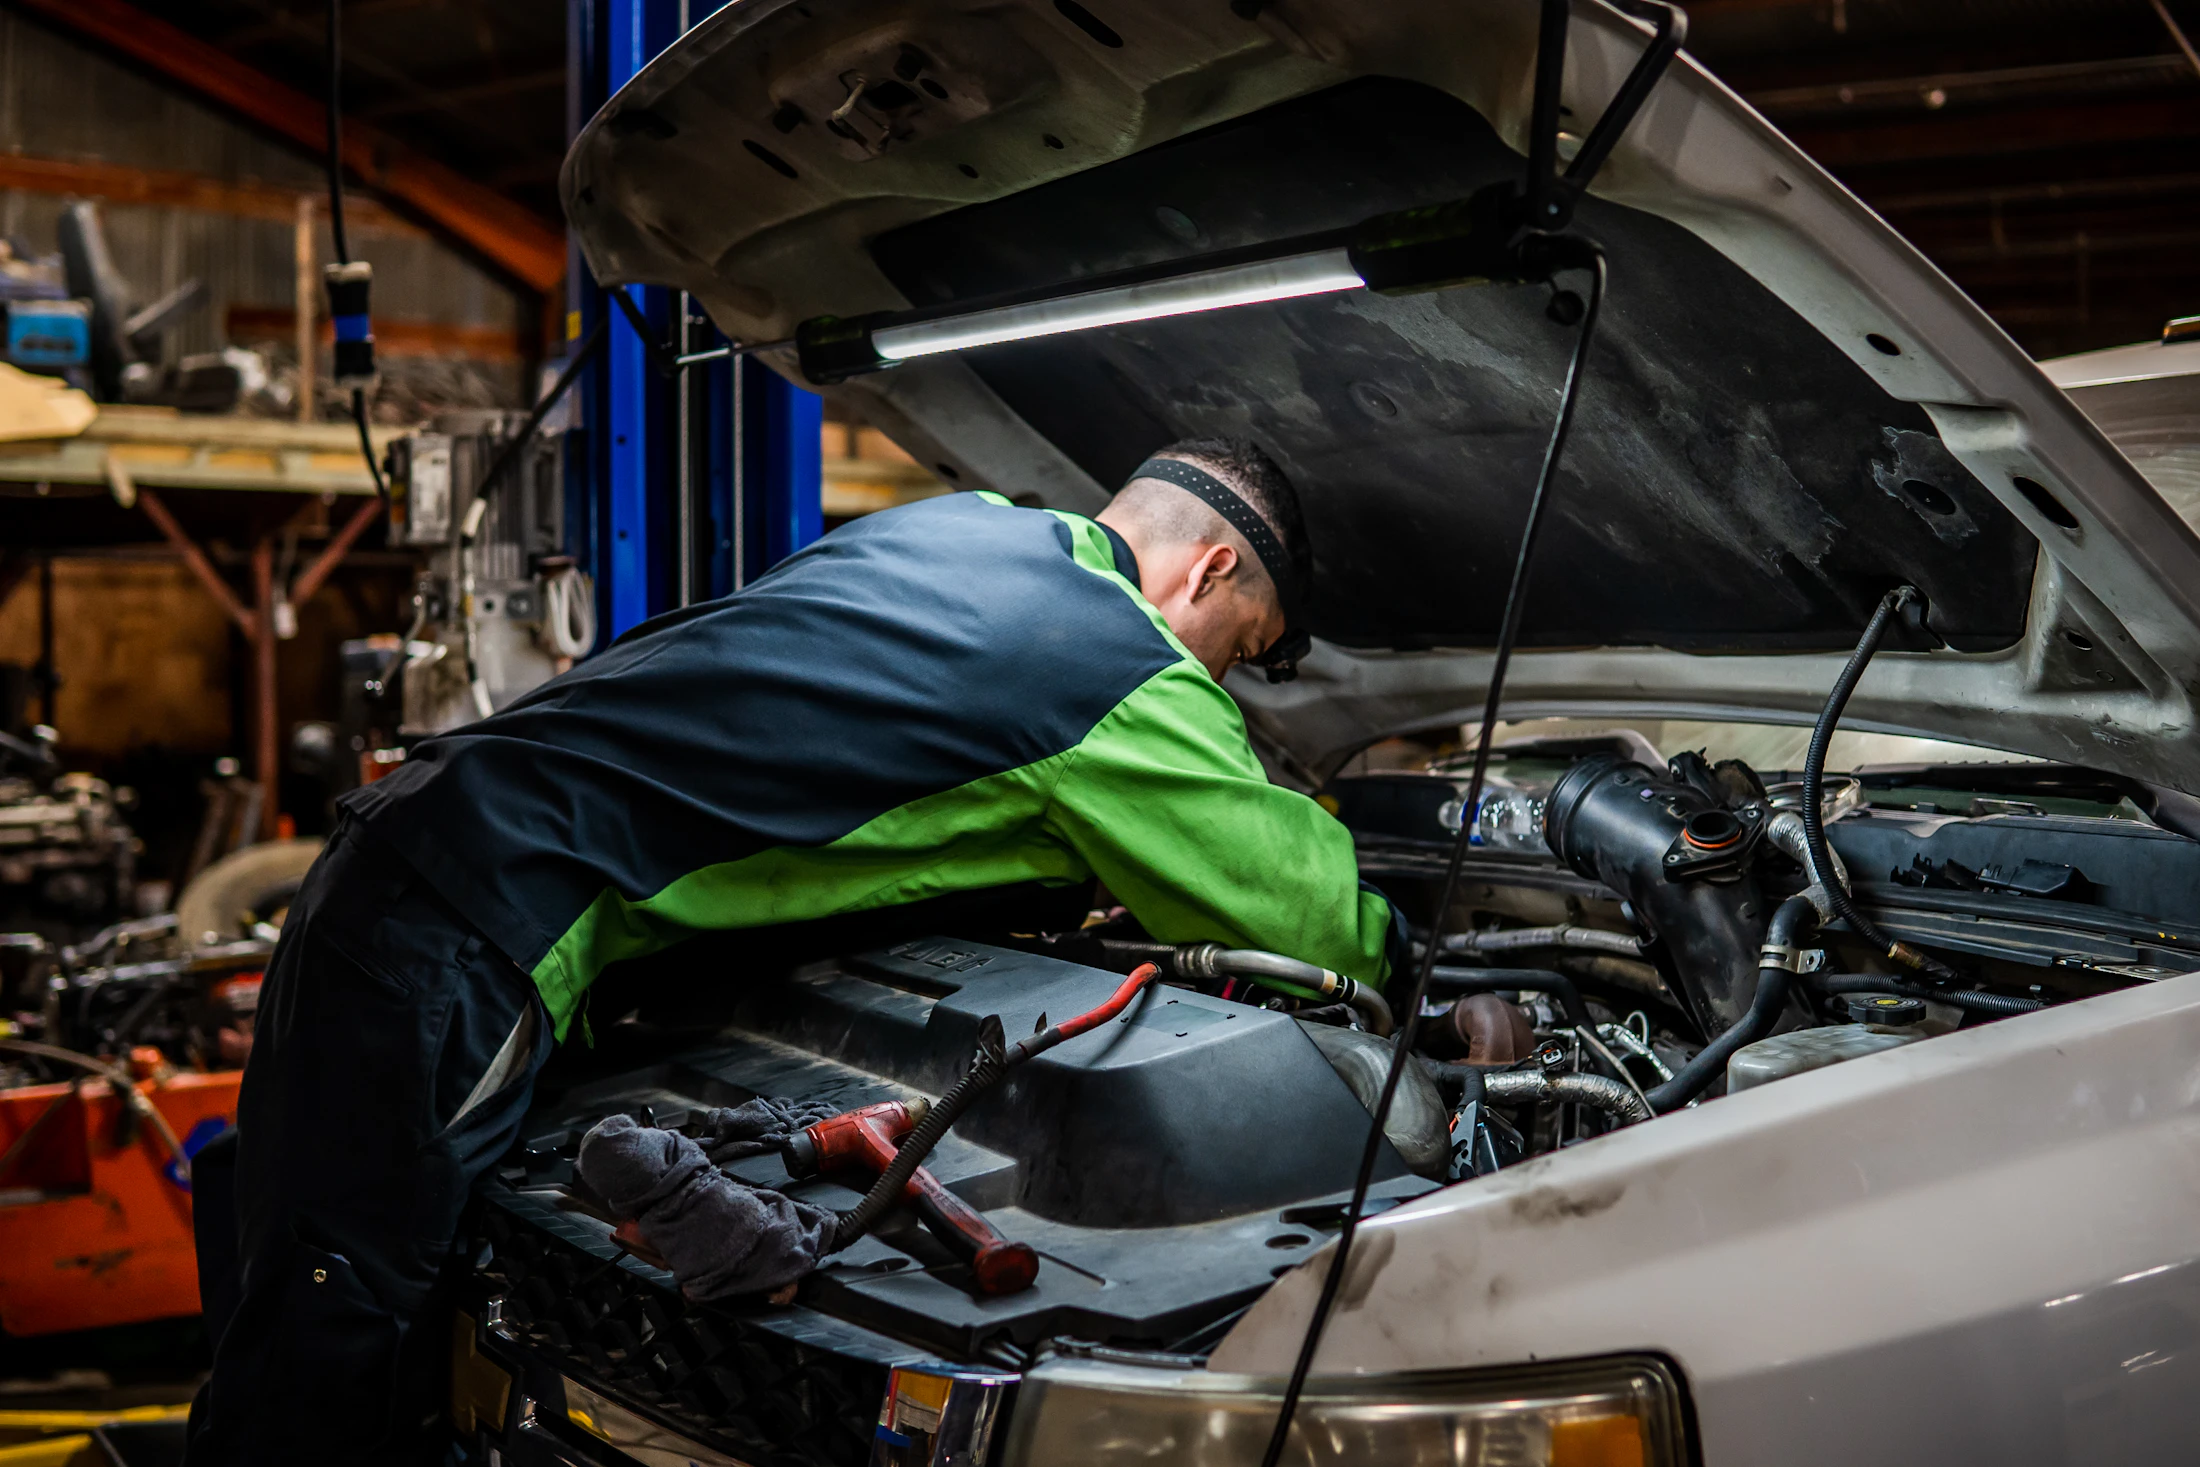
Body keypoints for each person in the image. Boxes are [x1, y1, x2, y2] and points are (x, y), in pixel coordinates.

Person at [183, 435, 1395, 1463]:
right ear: (1212, 568)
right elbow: (1323, 927)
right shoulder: (1121, 667)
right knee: (339, 1328)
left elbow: (860, 771)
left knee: (312, 1294)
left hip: (414, 861)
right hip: (474, 923)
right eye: (1245, 648)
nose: (1229, 682)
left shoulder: (954, 532)